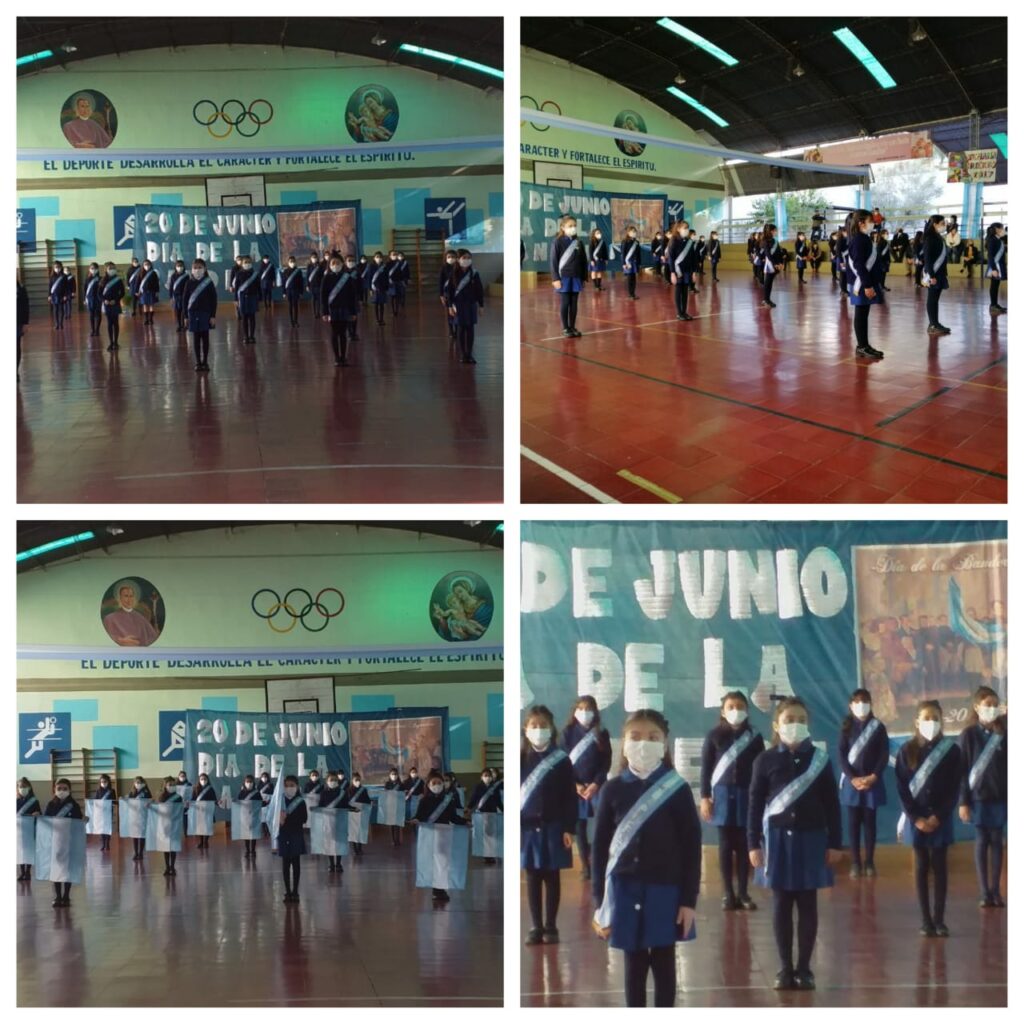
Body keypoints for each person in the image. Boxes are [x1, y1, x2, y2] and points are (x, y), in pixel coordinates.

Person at [592, 709, 700, 1008]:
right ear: (623, 743)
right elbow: (599, 849)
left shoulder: (676, 788)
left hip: (667, 889)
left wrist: (689, 900)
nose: (643, 743)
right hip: (624, 890)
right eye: (635, 737)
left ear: (665, 744)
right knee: (633, 963)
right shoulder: (612, 789)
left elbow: (692, 846)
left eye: (652, 738)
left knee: (665, 963)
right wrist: (600, 903)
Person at [748, 697, 842, 991]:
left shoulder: (820, 760)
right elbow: (753, 805)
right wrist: (753, 843)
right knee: (781, 903)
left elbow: (831, 803)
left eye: (801, 719)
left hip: (812, 838)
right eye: (789, 719)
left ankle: (804, 968)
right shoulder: (764, 760)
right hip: (776, 841)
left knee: (808, 903)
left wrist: (835, 842)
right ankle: (785, 968)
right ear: (776, 725)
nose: (795, 724)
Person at [895, 699, 962, 937]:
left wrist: (939, 816)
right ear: (917, 722)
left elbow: (955, 788)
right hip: (917, 820)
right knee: (921, 867)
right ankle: (925, 920)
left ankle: (940, 919)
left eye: (935, 718)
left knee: (941, 868)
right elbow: (902, 789)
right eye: (926, 718)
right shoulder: (906, 751)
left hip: (940, 819)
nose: (931, 722)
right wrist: (916, 818)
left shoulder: (952, 751)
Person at [700, 691, 764, 911]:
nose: (736, 710)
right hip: (723, 797)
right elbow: (706, 769)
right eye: (731, 706)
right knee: (726, 845)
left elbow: (761, 769)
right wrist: (705, 798)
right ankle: (728, 893)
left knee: (746, 844)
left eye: (740, 706)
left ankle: (744, 892)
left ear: (746, 710)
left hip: (747, 795)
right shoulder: (714, 736)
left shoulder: (754, 737)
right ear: (723, 711)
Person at [521, 705, 576, 946]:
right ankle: (536, 926)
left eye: (543, 726)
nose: (539, 730)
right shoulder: (520, 758)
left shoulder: (562, 760)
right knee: (532, 876)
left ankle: (551, 925)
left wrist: (568, 827)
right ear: (526, 729)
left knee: (552, 876)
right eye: (534, 726)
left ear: (551, 728)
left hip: (554, 825)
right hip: (526, 828)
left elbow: (569, 797)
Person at [958, 686, 1007, 908]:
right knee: (981, 842)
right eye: (987, 705)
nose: (992, 709)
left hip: (1000, 797)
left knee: (997, 842)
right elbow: (962, 770)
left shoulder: (1004, 732)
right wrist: (963, 802)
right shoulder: (968, 735)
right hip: (977, 798)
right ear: (977, 707)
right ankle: (984, 891)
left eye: (995, 705)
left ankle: (996, 891)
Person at [838, 688, 889, 878]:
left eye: (865, 701)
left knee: (870, 823)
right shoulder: (846, 727)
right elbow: (842, 755)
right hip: (852, 783)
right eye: (857, 702)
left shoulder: (878, 727)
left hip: (871, 783)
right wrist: (852, 778)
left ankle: (869, 861)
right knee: (853, 823)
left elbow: (883, 755)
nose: (861, 705)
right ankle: (855, 862)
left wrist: (874, 776)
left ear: (871, 704)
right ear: (851, 705)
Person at [560, 695, 611, 882]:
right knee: (580, 828)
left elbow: (606, 762)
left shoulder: (601, 733)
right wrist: (575, 785)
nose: (584, 713)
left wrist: (596, 783)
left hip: (597, 787)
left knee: (601, 825)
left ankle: (599, 862)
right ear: (575, 711)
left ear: (595, 712)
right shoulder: (567, 733)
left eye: (588, 709)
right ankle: (586, 865)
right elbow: (563, 762)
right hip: (576, 787)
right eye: (581, 708)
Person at [414, 770, 469, 903]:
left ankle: (440, 887)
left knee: (443, 862)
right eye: (434, 783)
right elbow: (419, 816)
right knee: (434, 862)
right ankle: (437, 889)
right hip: (430, 837)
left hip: (444, 836)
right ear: (428, 785)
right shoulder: (424, 800)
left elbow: (453, 817)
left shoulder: (448, 800)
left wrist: (465, 822)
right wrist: (415, 820)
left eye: (440, 783)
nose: (437, 785)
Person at [846, 209, 885, 360]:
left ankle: (864, 345)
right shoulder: (859, 240)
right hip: (862, 283)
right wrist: (868, 285)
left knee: (863, 314)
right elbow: (859, 265)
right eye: (870, 221)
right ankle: (862, 346)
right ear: (861, 223)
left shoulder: (863, 238)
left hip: (865, 281)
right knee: (861, 314)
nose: (873, 224)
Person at [44, 779, 83, 906]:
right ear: (54, 789)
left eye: (64, 788)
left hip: (70, 841)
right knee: (56, 868)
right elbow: (45, 821)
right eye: (59, 788)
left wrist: (84, 820)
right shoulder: (51, 804)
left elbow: (78, 822)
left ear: (69, 790)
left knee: (68, 869)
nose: (61, 791)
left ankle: (66, 895)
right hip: (55, 841)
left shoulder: (74, 805)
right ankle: (57, 896)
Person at [445, 249, 484, 365]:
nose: (466, 260)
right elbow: (449, 292)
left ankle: (469, 354)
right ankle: (463, 354)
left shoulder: (474, 273)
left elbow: (479, 290)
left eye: (468, 258)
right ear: (458, 259)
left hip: (471, 304)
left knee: (470, 329)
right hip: (458, 305)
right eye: (464, 258)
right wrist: (449, 306)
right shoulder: (453, 274)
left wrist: (481, 305)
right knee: (461, 329)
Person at [550, 216, 587, 338]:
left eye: (574, 225)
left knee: (574, 303)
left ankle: (572, 326)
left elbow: (583, 261)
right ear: (563, 227)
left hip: (576, 276)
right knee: (565, 302)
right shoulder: (558, 241)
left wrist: (583, 277)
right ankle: (565, 328)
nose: (573, 228)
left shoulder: (579, 242)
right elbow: (554, 261)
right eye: (570, 226)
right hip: (564, 276)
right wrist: (555, 278)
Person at [321, 253, 359, 367]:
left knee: (343, 333)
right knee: (334, 333)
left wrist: (353, 312)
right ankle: (337, 357)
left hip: (345, 309)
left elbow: (353, 296)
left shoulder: (347, 277)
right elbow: (323, 296)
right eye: (333, 263)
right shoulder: (326, 277)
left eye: (338, 263)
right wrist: (325, 312)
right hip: (332, 310)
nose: (335, 265)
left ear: (342, 264)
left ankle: (343, 357)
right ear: (329, 265)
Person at [277, 775, 308, 903]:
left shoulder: (300, 801)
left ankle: (295, 891)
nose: (289, 788)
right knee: (285, 864)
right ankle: (287, 891)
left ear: (297, 786)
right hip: (284, 834)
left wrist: (287, 819)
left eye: (292, 785)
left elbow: (304, 818)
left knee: (296, 863)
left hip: (296, 834)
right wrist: (279, 820)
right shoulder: (280, 801)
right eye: (286, 785)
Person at [182, 258, 217, 372]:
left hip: (205, 314)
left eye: (200, 267)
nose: (197, 270)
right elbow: (185, 300)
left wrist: (213, 315)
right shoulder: (189, 283)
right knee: (196, 339)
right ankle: (198, 362)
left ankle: (205, 362)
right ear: (191, 270)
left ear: (204, 269)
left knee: (205, 338)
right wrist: (185, 317)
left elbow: (213, 300)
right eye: (195, 268)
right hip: (192, 314)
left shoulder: (208, 282)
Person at [102, 579, 160, 646]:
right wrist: (120, 641)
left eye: (131, 596)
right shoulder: (110, 618)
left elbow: (152, 637)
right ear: (120, 598)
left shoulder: (141, 618)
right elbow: (106, 639)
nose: (129, 599)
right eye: (126, 596)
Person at [922, 215, 951, 335]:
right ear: (935, 224)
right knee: (932, 299)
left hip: (940, 272)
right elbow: (927, 258)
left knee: (935, 300)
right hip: (934, 273)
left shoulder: (938, 237)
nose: (944, 225)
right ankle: (933, 324)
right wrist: (932, 275)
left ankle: (935, 323)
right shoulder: (930, 238)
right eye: (942, 223)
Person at [467, 767, 503, 865]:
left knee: (491, 835)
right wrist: (469, 807)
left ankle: (491, 855)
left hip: (492, 813)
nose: (487, 777)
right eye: (485, 776)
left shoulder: (494, 787)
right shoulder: (478, 787)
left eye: (489, 776)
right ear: (481, 777)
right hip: (481, 814)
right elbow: (474, 798)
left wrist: (504, 809)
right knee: (484, 835)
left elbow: (498, 800)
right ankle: (486, 855)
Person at [318, 771, 350, 874]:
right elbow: (321, 806)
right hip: (328, 821)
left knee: (339, 843)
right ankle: (331, 864)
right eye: (331, 780)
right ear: (327, 781)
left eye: (335, 780)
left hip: (340, 820)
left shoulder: (342, 792)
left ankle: (338, 864)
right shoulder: (323, 793)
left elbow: (346, 805)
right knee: (329, 843)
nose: (333, 782)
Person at [667, 219, 698, 321]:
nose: (687, 230)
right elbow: (671, 258)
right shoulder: (673, 240)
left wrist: (694, 271)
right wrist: (672, 273)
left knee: (685, 292)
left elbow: (693, 258)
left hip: (687, 270)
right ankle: (679, 313)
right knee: (678, 291)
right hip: (677, 271)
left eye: (687, 228)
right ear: (679, 229)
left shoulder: (689, 241)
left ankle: (684, 312)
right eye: (685, 228)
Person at [155, 776, 183, 876]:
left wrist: (186, 807)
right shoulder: (161, 797)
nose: (172, 786)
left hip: (175, 824)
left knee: (173, 846)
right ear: (165, 786)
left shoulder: (178, 797)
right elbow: (159, 810)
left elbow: (181, 810)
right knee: (166, 847)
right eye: (170, 785)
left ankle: (173, 867)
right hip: (164, 824)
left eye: (173, 785)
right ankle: (167, 867)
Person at [17, 778, 41, 881]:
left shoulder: (34, 801)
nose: (23, 789)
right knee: (19, 851)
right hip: (18, 830)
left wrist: (37, 813)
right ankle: (22, 872)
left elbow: (40, 813)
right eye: (20, 787)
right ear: (17, 788)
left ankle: (28, 872)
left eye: (25, 786)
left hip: (30, 829)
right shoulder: (16, 801)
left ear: (29, 787)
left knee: (29, 851)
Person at [759, 223, 784, 309]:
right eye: (775, 230)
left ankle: (767, 299)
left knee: (770, 283)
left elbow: (779, 252)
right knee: (767, 283)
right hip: (770, 264)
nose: (776, 232)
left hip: (776, 264)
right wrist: (775, 264)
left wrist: (781, 262)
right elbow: (768, 255)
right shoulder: (765, 241)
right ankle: (766, 300)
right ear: (771, 231)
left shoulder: (775, 241)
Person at [237, 774, 262, 860]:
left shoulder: (257, 792)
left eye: (251, 782)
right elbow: (238, 802)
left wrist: (267, 803)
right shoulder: (242, 792)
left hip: (254, 816)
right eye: (247, 782)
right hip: (245, 816)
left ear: (253, 782)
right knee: (246, 835)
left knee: (253, 834)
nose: (249, 783)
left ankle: (253, 850)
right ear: (244, 783)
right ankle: (247, 850)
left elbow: (260, 803)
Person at [985, 223, 1007, 315]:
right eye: (1002, 228)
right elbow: (990, 255)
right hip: (995, 266)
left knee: (996, 285)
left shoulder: (998, 239)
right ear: (997, 229)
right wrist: (993, 269)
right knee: (994, 285)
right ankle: (993, 305)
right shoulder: (992, 240)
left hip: (999, 265)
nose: (1003, 230)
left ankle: (995, 304)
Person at [348, 771, 371, 858]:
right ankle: (355, 849)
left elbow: (367, 800)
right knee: (353, 831)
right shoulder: (348, 790)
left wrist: (368, 804)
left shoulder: (363, 790)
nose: (357, 781)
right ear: (352, 780)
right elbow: (346, 801)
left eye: (359, 780)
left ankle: (360, 848)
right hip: (352, 813)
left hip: (361, 812)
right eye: (356, 780)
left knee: (361, 830)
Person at [127, 776, 150, 860]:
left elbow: (150, 800)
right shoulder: (132, 792)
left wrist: (150, 803)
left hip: (143, 816)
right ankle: (136, 853)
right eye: (137, 782)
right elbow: (128, 801)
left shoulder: (146, 792)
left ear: (143, 783)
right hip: (134, 817)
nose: (138, 784)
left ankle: (141, 853)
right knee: (135, 835)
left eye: (140, 782)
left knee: (142, 835)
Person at [191, 771, 216, 850]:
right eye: (202, 779)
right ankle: (201, 842)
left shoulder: (210, 789)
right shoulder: (195, 789)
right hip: (199, 811)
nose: (203, 780)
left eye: (205, 779)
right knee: (200, 828)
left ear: (207, 780)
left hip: (208, 811)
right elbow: (193, 799)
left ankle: (205, 841)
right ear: (199, 780)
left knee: (207, 827)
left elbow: (214, 799)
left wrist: (218, 803)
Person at [277, 255, 303, 329]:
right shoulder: (285, 271)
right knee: (290, 306)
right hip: (289, 291)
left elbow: (301, 282)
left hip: (296, 291)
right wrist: (283, 292)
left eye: (293, 261)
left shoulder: (298, 271)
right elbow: (283, 283)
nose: (292, 263)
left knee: (296, 306)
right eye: (291, 262)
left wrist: (301, 292)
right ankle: (291, 321)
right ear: (288, 262)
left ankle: (296, 321)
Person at [93, 773, 116, 851]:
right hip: (101, 812)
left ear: (108, 781)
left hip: (109, 811)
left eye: (105, 781)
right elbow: (95, 800)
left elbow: (114, 801)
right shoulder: (98, 791)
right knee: (102, 828)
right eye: (102, 781)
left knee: (108, 828)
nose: (103, 783)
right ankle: (103, 844)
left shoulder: (112, 791)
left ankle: (107, 844)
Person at [439, 249, 458, 338]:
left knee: (458, 312)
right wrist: (441, 295)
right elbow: (441, 282)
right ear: (446, 258)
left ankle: (457, 329)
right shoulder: (443, 268)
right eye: (449, 257)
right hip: (447, 294)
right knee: (449, 313)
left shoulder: (459, 267)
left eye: (453, 257)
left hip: (458, 293)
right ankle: (451, 330)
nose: (451, 258)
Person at [620, 225, 642, 300]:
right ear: (628, 232)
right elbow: (623, 253)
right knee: (629, 279)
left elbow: (638, 254)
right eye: (632, 231)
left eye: (635, 231)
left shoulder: (637, 242)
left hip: (635, 263)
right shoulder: (625, 242)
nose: (634, 233)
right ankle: (630, 294)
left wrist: (639, 263)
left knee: (634, 278)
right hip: (628, 262)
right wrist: (623, 263)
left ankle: (633, 293)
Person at [368, 252, 389, 326]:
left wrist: (387, 287)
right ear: (374, 258)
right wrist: (370, 289)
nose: (378, 258)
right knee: (376, 304)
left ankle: (382, 319)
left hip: (382, 288)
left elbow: (387, 277)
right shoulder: (371, 266)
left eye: (380, 257)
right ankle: (377, 319)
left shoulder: (384, 266)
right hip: (375, 288)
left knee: (382, 304)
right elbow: (369, 278)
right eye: (377, 257)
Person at [385, 767, 404, 846]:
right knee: (391, 824)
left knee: (398, 824)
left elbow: (403, 794)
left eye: (395, 774)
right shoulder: (387, 784)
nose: (394, 776)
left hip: (399, 805)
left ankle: (397, 840)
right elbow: (385, 794)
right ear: (390, 775)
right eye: (392, 774)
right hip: (390, 806)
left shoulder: (401, 784)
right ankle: (392, 840)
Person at [137, 259, 160, 326]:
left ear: (150, 265)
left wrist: (157, 291)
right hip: (143, 292)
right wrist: (137, 291)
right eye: (145, 264)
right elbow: (138, 282)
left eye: (148, 264)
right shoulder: (141, 273)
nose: (147, 266)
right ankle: (146, 319)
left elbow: (156, 283)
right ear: (143, 265)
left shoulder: (153, 273)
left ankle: (151, 319)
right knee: (145, 305)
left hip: (151, 291)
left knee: (151, 305)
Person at [168, 259, 188, 333]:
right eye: (178, 266)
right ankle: (179, 325)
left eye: (181, 266)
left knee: (184, 312)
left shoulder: (186, 276)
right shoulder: (173, 276)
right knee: (177, 312)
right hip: (176, 297)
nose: (180, 267)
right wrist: (170, 297)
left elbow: (188, 287)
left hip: (184, 296)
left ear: (183, 267)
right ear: (175, 267)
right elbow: (171, 287)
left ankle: (184, 325)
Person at [48, 260, 69, 330]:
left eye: (58, 267)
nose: (57, 268)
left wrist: (66, 295)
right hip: (54, 295)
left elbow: (66, 287)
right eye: (56, 267)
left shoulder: (64, 276)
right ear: (53, 268)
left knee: (61, 309)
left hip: (62, 295)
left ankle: (61, 324)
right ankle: (57, 324)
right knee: (55, 310)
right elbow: (50, 287)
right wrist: (49, 295)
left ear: (61, 267)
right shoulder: (51, 277)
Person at [84, 263, 103, 338]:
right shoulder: (87, 279)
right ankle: (93, 330)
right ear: (89, 269)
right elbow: (85, 290)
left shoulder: (100, 278)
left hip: (98, 298)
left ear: (97, 269)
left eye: (95, 268)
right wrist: (84, 299)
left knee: (98, 314)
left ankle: (97, 330)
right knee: (91, 314)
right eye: (92, 268)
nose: (93, 270)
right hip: (90, 298)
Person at [17, 274, 29, 377]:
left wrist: (25, 323)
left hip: (18, 321)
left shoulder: (21, 288)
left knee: (16, 347)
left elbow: (26, 306)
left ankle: (15, 371)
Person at [307, 251, 324, 319]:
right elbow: (308, 276)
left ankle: (318, 312)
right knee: (313, 299)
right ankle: (314, 313)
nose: (314, 258)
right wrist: (307, 285)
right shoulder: (309, 266)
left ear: (317, 258)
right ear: (311, 258)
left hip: (319, 285)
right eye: (313, 257)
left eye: (315, 257)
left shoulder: (320, 265)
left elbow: (322, 276)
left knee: (319, 300)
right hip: (312, 286)